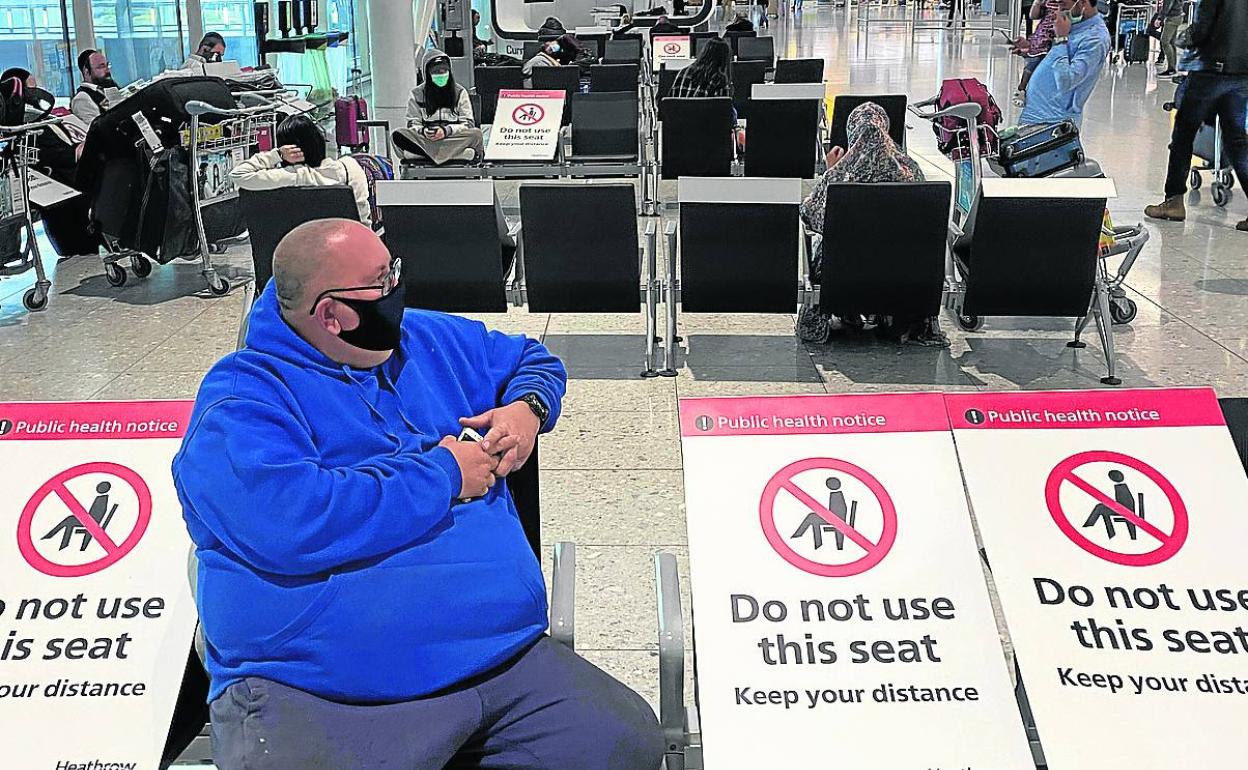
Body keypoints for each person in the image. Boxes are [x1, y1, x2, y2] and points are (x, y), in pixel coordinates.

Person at [172, 218, 663, 770]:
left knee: (622, 742)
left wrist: (527, 409)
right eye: (380, 283)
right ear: (332, 314)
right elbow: (289, 519)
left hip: (499, 656)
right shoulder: (243, 398)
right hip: (321, 686)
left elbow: (533, 359)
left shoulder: (424, 340)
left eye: (393, 271)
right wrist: (444, 475)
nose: (396, 292)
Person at [798, 102, 946, 347]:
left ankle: (848, 311)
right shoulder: (910, 171)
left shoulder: (839, 176)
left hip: (844, 275)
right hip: (904, 275)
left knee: (824, 245)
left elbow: (812, 217)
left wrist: (830, 171)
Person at [1145, 0, 1247, 230]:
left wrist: (1183, 38)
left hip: (1210, 71)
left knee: (1183, 136)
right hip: (1241, 72)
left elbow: (1202, 29)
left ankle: (1174, 201)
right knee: (1237, 142)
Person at [0, 68, 98, 260]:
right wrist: (80, 150)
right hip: (66, 193)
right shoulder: (28, 134)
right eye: (32, 89)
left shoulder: (48, 120)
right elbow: (57, 157)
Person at [229, 114, 372, 227]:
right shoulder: (350, 167)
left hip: (298, 250)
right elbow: (362, 215)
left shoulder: (291, 177)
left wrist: (277, 154)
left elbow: (238, 174)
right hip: (351, 246)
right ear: (318, 140)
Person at [1017, 0, 1111, 129]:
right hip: (1036, 115)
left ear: (1083, 3)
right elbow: (1054, 60)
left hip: (1054, 123)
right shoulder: (1071, 26)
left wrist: (1061, 39)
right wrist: (1030, 50)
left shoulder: (1095, 40)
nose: (1058, 11)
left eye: (1063, 5)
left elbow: (1067, 81)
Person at [393, 50, 483, 165]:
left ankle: (430, 155)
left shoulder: (460, 92)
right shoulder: (416, 94)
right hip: (427, 139)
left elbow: (468, 124)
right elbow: (412, 124)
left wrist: (446, 131)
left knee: (476, 134)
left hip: (451, 138)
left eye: (444, 71)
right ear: (427, 74)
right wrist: (424, 131)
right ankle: (443, 154)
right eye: (436, 72)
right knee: (398, 135)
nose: (441, 75)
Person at [1011, 0, 1063, 107]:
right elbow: (1033, 16)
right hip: (1044, 35)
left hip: (1062, 35)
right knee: (1034, 60)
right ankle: (1022, 89)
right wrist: (1037, 3)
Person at [71, 49, 115, 126]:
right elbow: (98, 129)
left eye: (107, 65)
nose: (107, 70)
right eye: (101, 67)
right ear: (87, 71)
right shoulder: (82, 99)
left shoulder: (109, 87)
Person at [1156, 0, 1184, 76]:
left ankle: (1171, 68)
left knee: (1165, 41)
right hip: (1178, 16)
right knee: (1171, 42)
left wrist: (1160, 18)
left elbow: (1167, 5)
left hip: (1172, 18)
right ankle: (1172, 68)